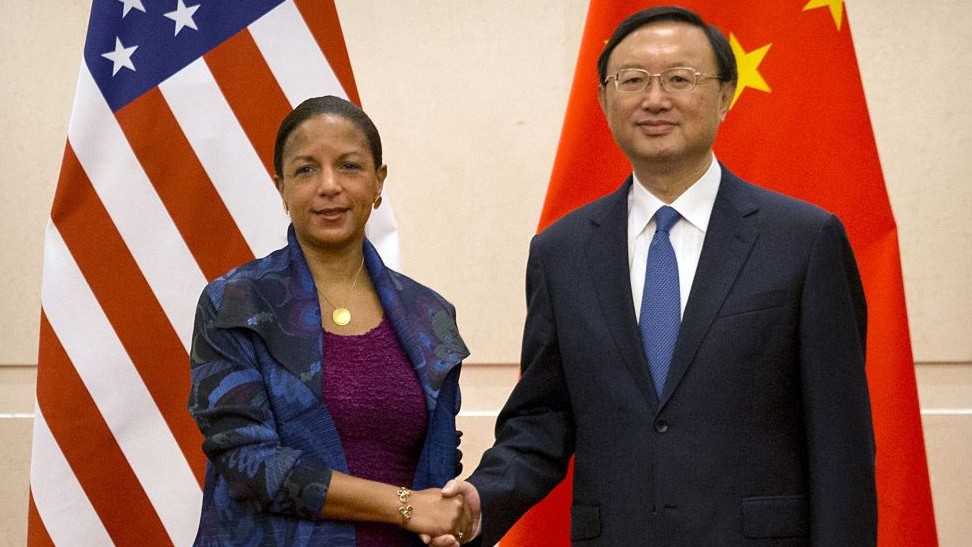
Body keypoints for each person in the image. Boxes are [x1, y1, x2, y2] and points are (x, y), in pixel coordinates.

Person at [435, 6, 876, 546]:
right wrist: (484, 499)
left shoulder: (804, 241)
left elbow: (841, 443)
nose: (655, 98)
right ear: (603, 100)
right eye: (633, 80)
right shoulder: (562, 251)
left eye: (679, 79)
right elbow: (542, 419)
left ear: (724, 95)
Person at [188, 95, 475, 546]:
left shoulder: (430, 315)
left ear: (379, 182)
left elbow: (438, 469)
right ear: (281, 187)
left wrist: (448, 520)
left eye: (349, 166)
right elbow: (249, 463)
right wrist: (405, 506)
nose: (328, 186)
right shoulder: (235, 303)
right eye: (306, 170)